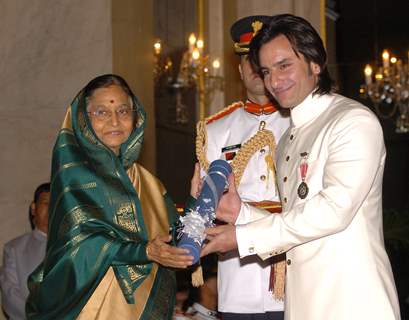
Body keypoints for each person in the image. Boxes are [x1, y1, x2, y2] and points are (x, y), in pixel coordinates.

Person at [201, 14, 401, 320]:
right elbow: (295, 216)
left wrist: (242, 237)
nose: (274, 81)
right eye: (266, 71)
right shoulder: (290, 139)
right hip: (303, 306)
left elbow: (333, 210)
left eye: (284, 66)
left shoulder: (351, 121)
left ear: (314, 63)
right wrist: (238, 212)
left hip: (351, 302)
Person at [26, 74, 194, 320]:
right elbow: (84, 244)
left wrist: (196, 200)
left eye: (123, 111)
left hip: (142, 306)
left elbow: (175, 235)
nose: (115, 121)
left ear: (136, 117)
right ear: (84, 119)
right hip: (91, 306)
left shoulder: (149, 183)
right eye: (102, 112)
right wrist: (144, 251)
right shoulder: (75, 177)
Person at [195, 15, 290, 320]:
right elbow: (206, 203)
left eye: (261, 57)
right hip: (237, 277)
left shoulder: (302, 120)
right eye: (248, 59)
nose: (256, 67)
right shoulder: (215, 129)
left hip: (291, 275)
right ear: (240, 68)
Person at [0, 183, 50, 320]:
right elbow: (10, 294)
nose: (51, 209)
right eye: (46, 203)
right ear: (33, 208)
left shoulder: (71, 247)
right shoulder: (14, 248)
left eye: (56, 205)